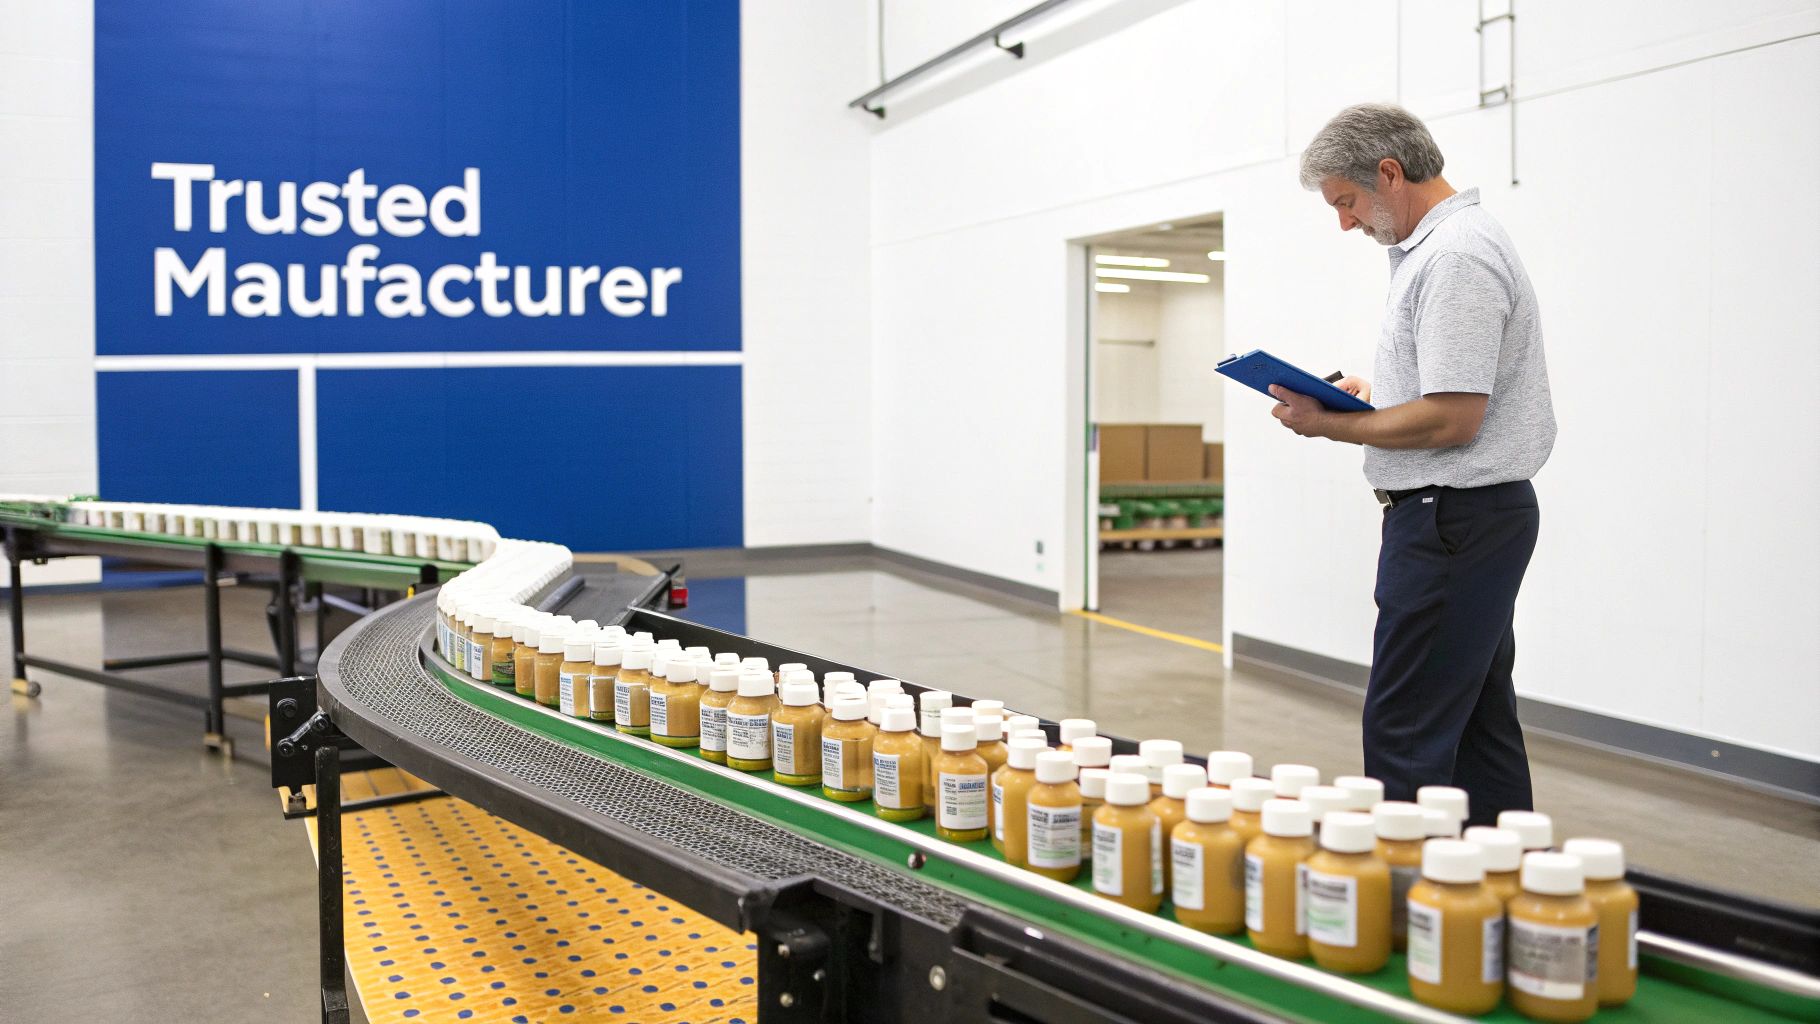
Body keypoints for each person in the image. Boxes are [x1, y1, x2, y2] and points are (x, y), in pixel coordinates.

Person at [1268, 103, 1555, 827]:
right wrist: (1377, 396)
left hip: (1449, 522)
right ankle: (1499, 877)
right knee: (1478, 728)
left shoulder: (1454, 256)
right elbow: (1444, 395)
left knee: (1405, 732)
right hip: (1470, 519)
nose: (1346, 223)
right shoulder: (1446, 248)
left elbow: (1454, 418)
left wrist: (1330, 424)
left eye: (1346, 202)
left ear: (1390, 174)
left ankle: (1405, 889)